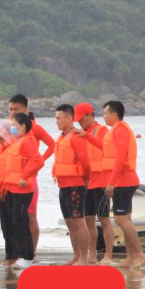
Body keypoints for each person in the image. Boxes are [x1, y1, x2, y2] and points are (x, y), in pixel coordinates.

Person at [0, 113, 43, 270]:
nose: (12, 127)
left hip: (22, 189)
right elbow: (7, 170)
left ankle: (28, 257)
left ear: (23, 126)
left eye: (14, 125)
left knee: (21, 223)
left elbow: (38, 161)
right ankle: (21, 256)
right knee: (16, 222)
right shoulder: (17, 142)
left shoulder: (27, 142)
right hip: (12, 188)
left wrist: (24, 176)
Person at [6, 94, 55, 254]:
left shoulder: (34, 128)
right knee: (15, 218)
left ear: (25, 109)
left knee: (30, 216)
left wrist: (39, 161)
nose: (12, 112)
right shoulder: (10, 128)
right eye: (10, 109)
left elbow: (52, 145)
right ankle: (18, 253)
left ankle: (31, 253)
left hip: (28, 179)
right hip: (12, 180)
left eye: (17, 109)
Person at [102, 101, 145, 268]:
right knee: (126, 218)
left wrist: (111, 182)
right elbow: (106, 150)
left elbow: (121, 159)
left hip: (124, 181)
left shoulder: (121, 130)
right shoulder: (116, 130)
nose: (104, 117)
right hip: (124, 181)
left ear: (114, 115)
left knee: (120, 219)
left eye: (105, 113)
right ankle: (130, 257)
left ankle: (140, 254)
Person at [74, 102, 115, 264]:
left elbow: (107, 148)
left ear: (90, 115)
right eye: (77, 120)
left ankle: (108, 255)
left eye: (81, 119)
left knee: (104, 220)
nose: (79, 122)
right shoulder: (79, 133)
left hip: (101, 182)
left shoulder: (102, 131)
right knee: (88, 220)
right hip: (86, 183)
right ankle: (92, 254)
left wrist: (87, 136)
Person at [51, 104, 90, 265]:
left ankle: (84, 258)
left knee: (79, 221)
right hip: (63, 185)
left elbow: (86, 163)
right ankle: (76, 256)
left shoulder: (75, 137)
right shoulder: (62, 138)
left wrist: (86, 180)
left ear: (69, 118)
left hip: (75, 185)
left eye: (59, 118)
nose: (57, 121)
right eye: (56, 118)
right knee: (70, 222)